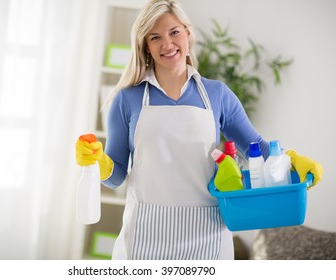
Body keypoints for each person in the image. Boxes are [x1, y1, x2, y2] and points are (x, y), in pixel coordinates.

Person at [76, 0, 323, 260]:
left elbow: (258, 150)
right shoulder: (127, 99)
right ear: (145, 46)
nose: (167, 44)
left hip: (207, 234)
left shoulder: (217, 95)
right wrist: (97, 161)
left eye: (174, 32)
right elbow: (115, 177)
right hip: (145, 234)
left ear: (188, 34)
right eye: (155, 37)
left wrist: (292, 160)